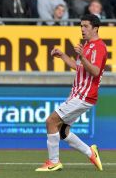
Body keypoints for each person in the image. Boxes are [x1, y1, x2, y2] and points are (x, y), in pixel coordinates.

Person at [36, 14, 107, 172]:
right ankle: (91, 152)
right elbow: (78, 67)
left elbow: (95, 71)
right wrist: (62, 56)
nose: (82, 29)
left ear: (95, 28)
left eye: (86, 26)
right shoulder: (87, 45)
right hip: (78, 93)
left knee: (51, 121)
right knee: (63, 131)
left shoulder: (99, 47)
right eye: (81, 26)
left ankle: (54, 162)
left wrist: (82, 56)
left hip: (84, 95)